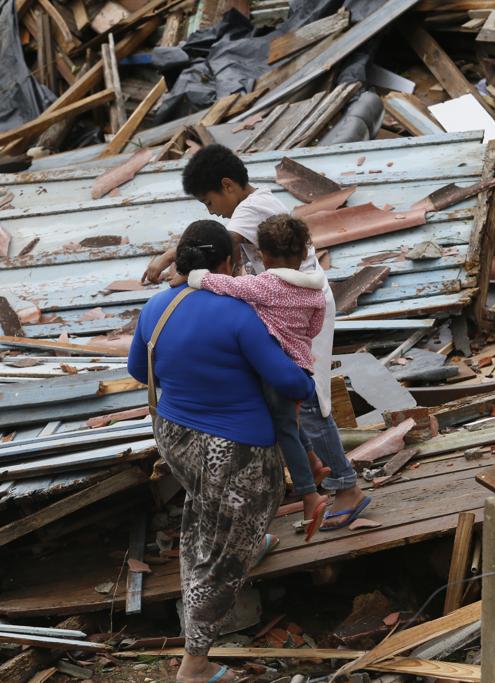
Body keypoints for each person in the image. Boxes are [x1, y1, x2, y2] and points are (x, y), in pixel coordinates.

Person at [143, 144, 370, 530]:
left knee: (310, 400)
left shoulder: (251, 209)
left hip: (298, 308)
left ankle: (347, 486)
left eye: (209, 199)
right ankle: (314, 467)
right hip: (289, 306)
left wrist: (176, 265)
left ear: (228, 185)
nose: (210, 208)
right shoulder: (255, 205)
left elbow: (219, 241)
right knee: (287, 400)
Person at [128, 220, 315, 683]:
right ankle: (195, 663)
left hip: (173, 436)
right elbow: (291, 382)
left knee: (206, 510)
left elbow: (137, 369)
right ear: (228, 264)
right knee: (221, 556)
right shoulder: (238, 314)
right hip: (233, 451)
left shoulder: (156, 306)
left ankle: (248, 544)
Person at [188, 214, 330, 540]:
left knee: (283, 431)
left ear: (263, 255)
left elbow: (228, 284)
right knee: (290, 423)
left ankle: (310, 495)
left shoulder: (265, 285)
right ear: (303, 252)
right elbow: (313, 328)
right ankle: (314, 461)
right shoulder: (315, 292)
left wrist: (195, 277)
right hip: (302, 364)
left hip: (277, 368)